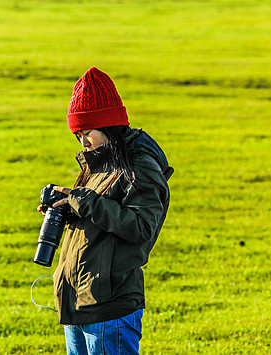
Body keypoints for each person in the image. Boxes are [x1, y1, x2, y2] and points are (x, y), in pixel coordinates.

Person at [41, 67, 173, 354]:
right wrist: (67, 209)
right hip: (79, 303)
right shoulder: (103, 163)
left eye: (87, 133)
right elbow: (103, 216)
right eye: (78, 136)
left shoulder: (140, 167)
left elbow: (140, 227)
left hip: (109, 307)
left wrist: (85, 202)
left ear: (109, 124)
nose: (83, 143)